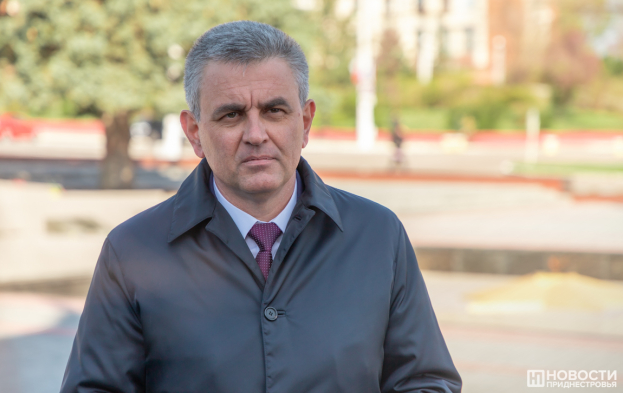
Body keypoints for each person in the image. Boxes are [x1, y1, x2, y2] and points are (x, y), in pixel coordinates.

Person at [61, 21, 461, 393]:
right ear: (195, 132)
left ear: (305, 122)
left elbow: (424, 380)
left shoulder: (378, 236)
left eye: (274, 111)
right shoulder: (132, 252)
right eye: (231, 115)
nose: (256, 134)